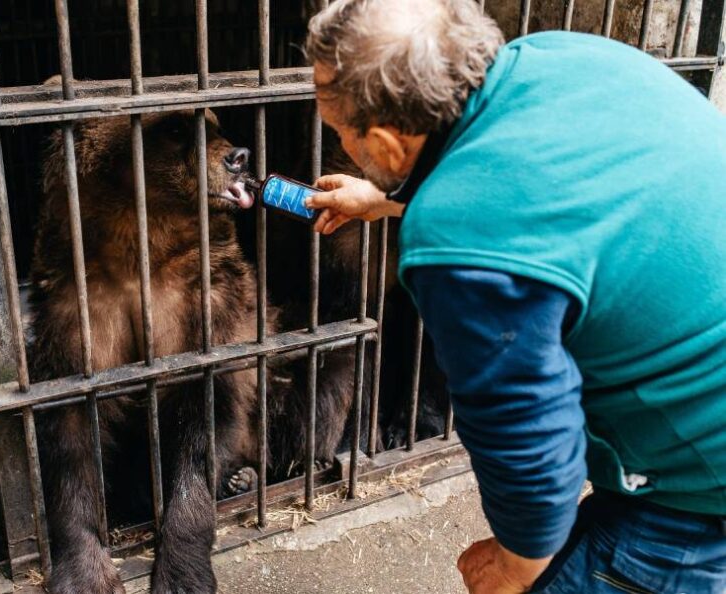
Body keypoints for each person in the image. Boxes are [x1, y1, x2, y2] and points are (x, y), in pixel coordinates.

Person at [303, 1, 726, 592]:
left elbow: (533, 448)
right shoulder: (563, 57)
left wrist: (513, 565)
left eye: (339, 131)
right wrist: (387, 200)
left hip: (700, 490)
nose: (340, 143)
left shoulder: (452, 243)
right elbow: (544, 196)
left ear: (386, 142)